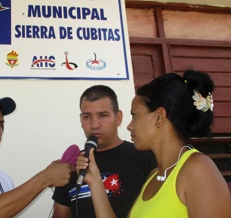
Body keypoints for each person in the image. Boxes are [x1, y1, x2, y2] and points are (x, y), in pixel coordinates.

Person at [77, 70, 231, 218]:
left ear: (159, 117)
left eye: (135, 115)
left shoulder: (198, 169)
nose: (129, 126)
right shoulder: (154, 176)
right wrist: (95, 181)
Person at [52, 85, 157, 218]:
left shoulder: (145, 157)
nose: (94, 124)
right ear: (81, 120)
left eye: (103, 115)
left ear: (118, 117)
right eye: (87, 117)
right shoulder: (72, 164)